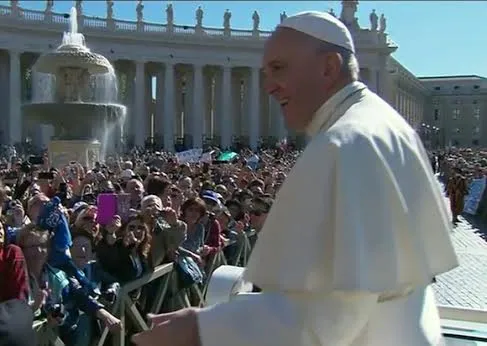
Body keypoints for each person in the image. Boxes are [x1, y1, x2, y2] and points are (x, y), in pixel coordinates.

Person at [132, 11, 458, 346]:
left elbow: (329, 318)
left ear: (329, 67)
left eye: (279, 68)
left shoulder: (344, 143)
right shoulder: (383, 125)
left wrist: (201, 329)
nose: (268, 86)